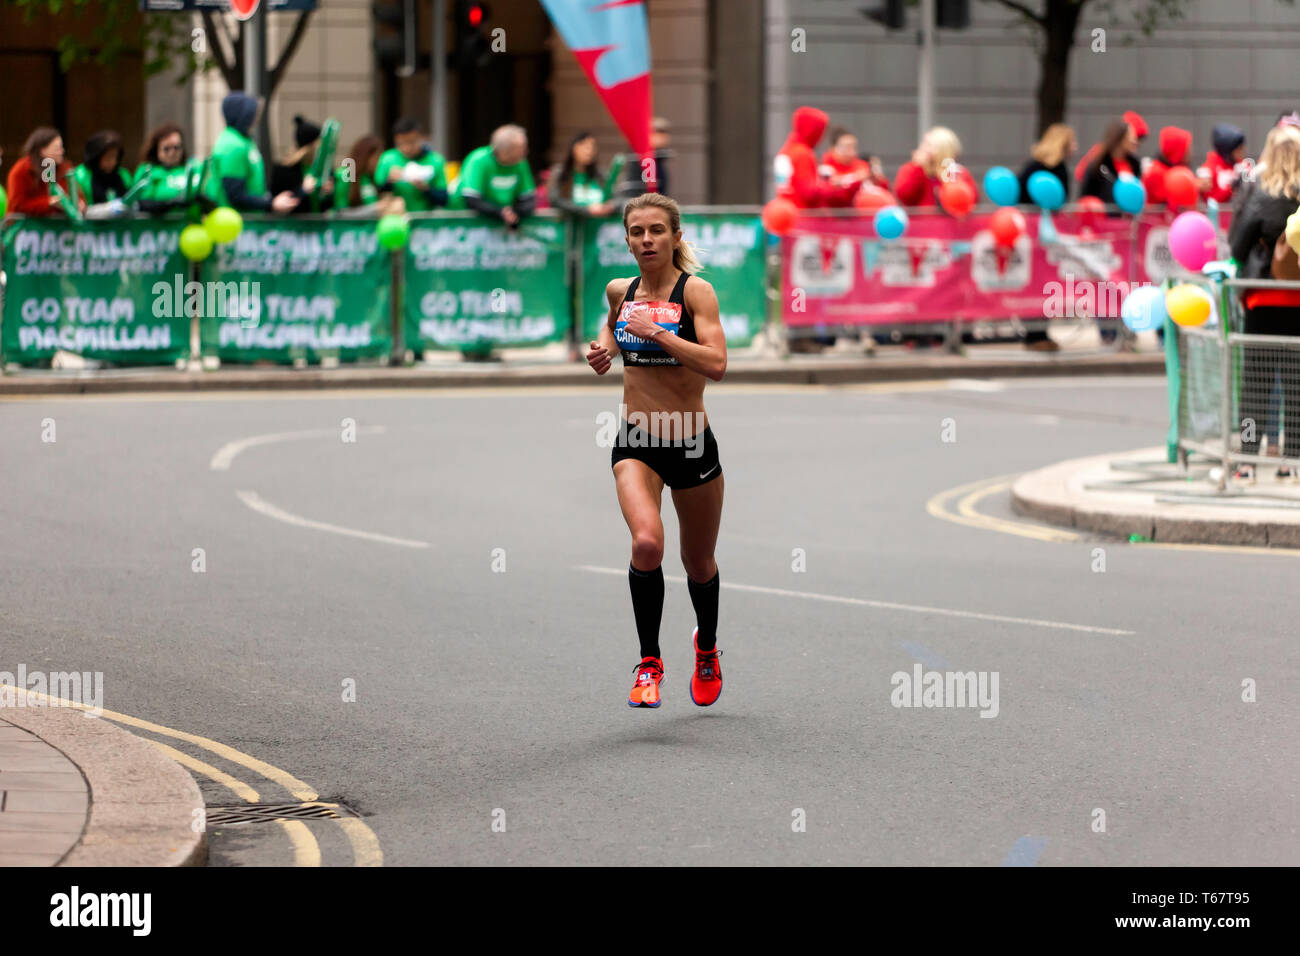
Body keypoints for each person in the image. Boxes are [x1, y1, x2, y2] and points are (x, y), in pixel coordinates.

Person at [585, 192, 727, 709]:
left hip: (689, 438)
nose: (647, 240)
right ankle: (649, 662)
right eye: (637, 232)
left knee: (698, 561)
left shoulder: (696, 294)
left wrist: (659, 335)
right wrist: (606, 347)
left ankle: (706, 648)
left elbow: (716, 363)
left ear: (675, 237)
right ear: (626, 239)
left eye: (657, 231)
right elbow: (613, 326)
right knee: (647, 543)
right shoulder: (619, 291)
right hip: (636, 439)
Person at [1228, 125, 1300, 481]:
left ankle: (1246, 460)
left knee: (1254, 386)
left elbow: (1237, 247)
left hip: (1261, 299)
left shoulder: (1260, 194)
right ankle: (1292, 462)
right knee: (1296, 386)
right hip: (1298, 302)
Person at [207, 93, 297, 214]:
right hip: (235, 224)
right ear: (243, 114)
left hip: (246, 221)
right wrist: (270, 204)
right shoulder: (232, 145)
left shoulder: (243, 141)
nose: (256, 117)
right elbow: (235, 195)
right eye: (253, 112)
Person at [449, 123, 536, 227]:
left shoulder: (520, 163)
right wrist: (499, 212)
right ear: (505, 151)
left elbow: (528, 198)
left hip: (498, 220)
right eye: (521, 149)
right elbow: (471, 199)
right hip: (465, 222)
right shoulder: (478, 160)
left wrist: (515, 213)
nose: (525, 152)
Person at [775, 107, 861, 209]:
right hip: (803, 214)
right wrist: (834, 186)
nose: (821, 137)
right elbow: (808, 193)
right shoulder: (803, 153)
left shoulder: (788, 150)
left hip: (787, 209)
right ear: (811, 129)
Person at [374, 118, 448, 212]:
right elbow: (375, 195)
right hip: (395, 219)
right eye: (400, 144)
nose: (406, 148)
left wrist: (425, 189)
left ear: (421, 138)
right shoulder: (387, 158)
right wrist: (389, 181)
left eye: (411, 142)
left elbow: (444, 199)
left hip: (424, 220)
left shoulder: (436, 160)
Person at [892, 126, 976, 208]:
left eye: (929, 145)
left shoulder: (957, 173)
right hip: (921, 221)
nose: (923, 148)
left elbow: (971, 199)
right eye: (923, 143)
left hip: (950, 221)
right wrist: (917, 168)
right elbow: (904, 195)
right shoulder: (912, 169)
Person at [5, 127, 79, 218]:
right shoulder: (21, 170)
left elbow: (76, 194)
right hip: (27, 228)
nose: (62, 151)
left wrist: (79, 203)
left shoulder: (65, 169)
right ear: (43, 150)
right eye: (57, 148)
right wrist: (48, 203)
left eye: (61, 147)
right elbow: (18, 205)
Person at [135, 123, 205, 215]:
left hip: (193, 225)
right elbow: (140, 203)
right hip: (160, 227)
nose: (172, 153)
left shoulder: (194, 167)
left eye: (176, 147)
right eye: (166, 149)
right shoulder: (147, 170)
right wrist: (169, 204)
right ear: (157, 149)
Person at [269, 115, 333, 213]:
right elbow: (279, 203)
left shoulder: (324, 169)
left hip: (320, 225)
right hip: (293, 226)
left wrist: (328, 193)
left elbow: (329, 205)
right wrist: (302, 190)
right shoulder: (284, 170)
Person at [547, 131, 615, 217]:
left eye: (593, 147)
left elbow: (617, 198)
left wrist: (610, 206)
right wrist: (586, 209)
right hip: (571, 226)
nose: (590, 151)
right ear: (575, 148)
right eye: (586, 147)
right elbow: (555, 201)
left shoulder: (600, 175)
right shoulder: (560, 173)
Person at [1079, 119, 1142, 207]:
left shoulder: (1135, 165)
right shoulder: (1098, 167)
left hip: (1129, 218)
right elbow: (1084, 196)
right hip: (1106, 218)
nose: (1135, 141)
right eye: (1131, 136)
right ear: (1120, 138)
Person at [333, 134, 401, 215]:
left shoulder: (370, 176)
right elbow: (340, 213)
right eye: (377, 156)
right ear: (366, 156)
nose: (379, 161)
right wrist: (375, 208)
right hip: (350, 227)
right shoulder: (345, 175)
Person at [1075, 109, 1147, 185]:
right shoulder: (1100, 154)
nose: (1136, 142)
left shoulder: (1134, 163)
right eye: (1136, 137)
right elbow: (1082, 175)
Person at [820, 126, 890, 202]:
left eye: (854, 147)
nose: (851, 151)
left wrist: (877, 180)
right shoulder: (825, 170)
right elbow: (835, 196)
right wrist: (857, 180)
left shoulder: (862, 166)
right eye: (846, 147)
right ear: (833, 149)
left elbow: (884, 188)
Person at [69, 131, 133, 216]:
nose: (113, 162)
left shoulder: (124, 174)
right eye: (108, 157)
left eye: (115, 157)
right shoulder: (80, 175)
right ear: (96, 156)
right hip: (89, 226)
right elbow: (78, 206)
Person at [1018, 123, 1075, 204]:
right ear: (1062, 143)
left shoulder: (1033, 165)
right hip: (1033, 215)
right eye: (1072, 141)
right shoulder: (1036, 167)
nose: (1075, 147)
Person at [1141, 126, 1198, 205]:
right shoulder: (1156, 173)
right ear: (1177, 151)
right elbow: (1172, 199)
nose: (1190, 152)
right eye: (1187, 148)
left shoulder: (1177, 169)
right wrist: (1194, 187)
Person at [1197, 124, 1247, 204]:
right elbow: (1210, 201)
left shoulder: (1244, 165)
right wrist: (1231, 188)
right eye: (1239, 148)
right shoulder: (1209, 169)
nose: (1243, 150)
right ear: (1227, 151)